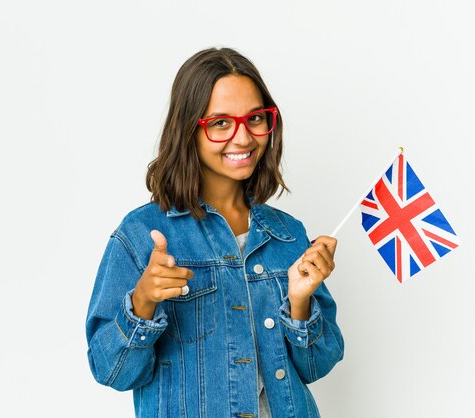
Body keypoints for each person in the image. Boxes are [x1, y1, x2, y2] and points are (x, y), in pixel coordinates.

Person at [85, 47, 344, 418]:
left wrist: (300, 304)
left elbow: (317, 366)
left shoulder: (288, 235)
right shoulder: (142, 233)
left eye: (255, 118)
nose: (243, 138)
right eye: (220, 123)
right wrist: (142, 302)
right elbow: (110, 370)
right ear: (189, 128)